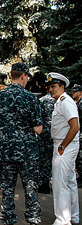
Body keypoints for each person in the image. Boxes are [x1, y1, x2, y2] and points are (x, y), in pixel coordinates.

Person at [0, 63, 43, 225]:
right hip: (28, 153)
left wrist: (7, 130)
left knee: (7, 191)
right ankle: (33, 220)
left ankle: (8, 220)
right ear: (24, 76)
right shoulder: (31, 97)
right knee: (31, 190)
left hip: (5, 152)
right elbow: (38, 129)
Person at [46, 73, 80, 225]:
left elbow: (75, 126)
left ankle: (62, 219)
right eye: (49, 87)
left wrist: (62, 146)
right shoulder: (60, 102)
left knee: (60, 183)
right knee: (70, 181)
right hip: (66, 145)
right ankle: (73, 216)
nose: (50, 90)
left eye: (53, 87)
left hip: (64, 146)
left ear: (62, 87)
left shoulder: (66, 102)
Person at [37, 90, 56, 194]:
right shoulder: (60, 100)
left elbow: (38, 117)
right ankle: (57, 182)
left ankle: (45, 184)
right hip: (58, 133)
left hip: (44, 134)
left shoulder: (42, 100)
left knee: (44, 159)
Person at [72, 84, 82, 188]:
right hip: (79, 133)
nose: (73, 93)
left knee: (80, 158)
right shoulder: (77, 103)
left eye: (75, 91)